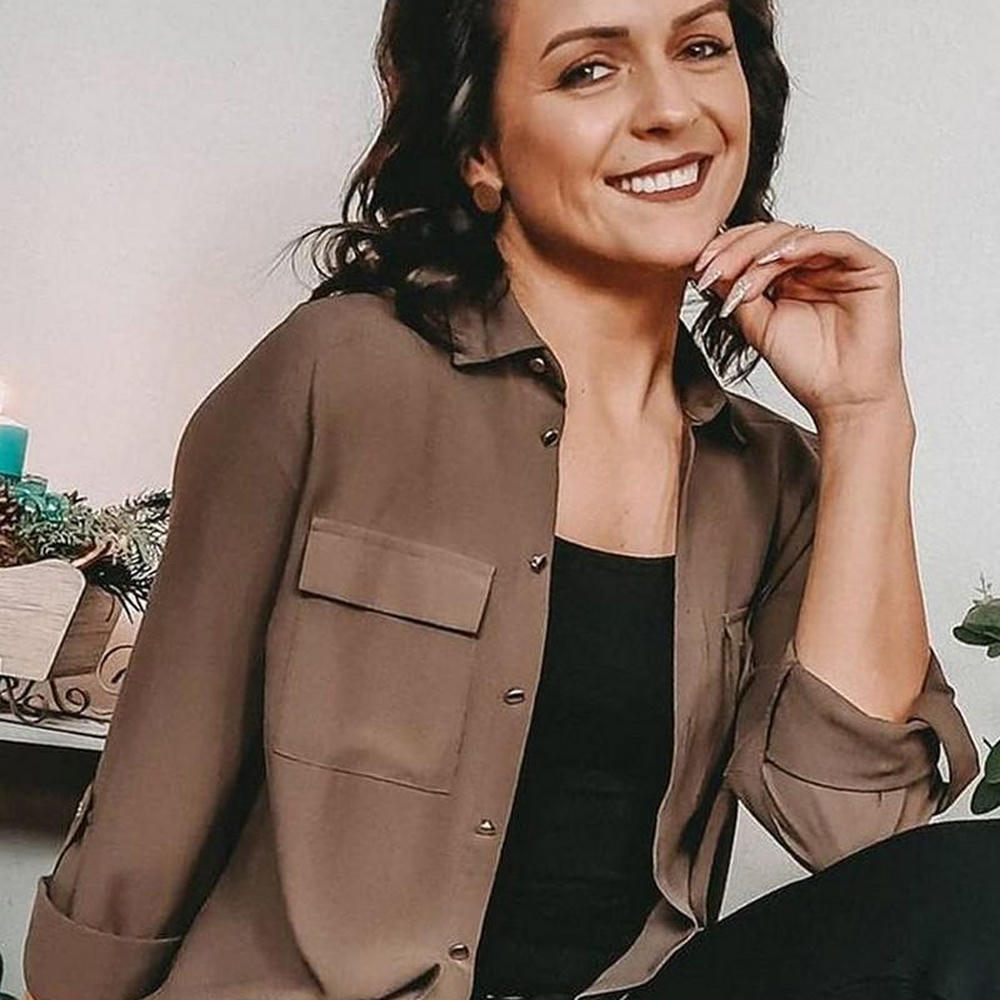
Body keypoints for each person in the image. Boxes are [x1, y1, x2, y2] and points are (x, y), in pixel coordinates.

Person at [20, 1, 998, 999]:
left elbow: (860, 832)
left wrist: (866, 418)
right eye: (588, 70)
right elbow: (166, 768)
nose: (671, 107)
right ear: (478, 152)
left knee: (982, 883)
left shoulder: (777, 476)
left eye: (701, 48)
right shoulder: (336, 374)